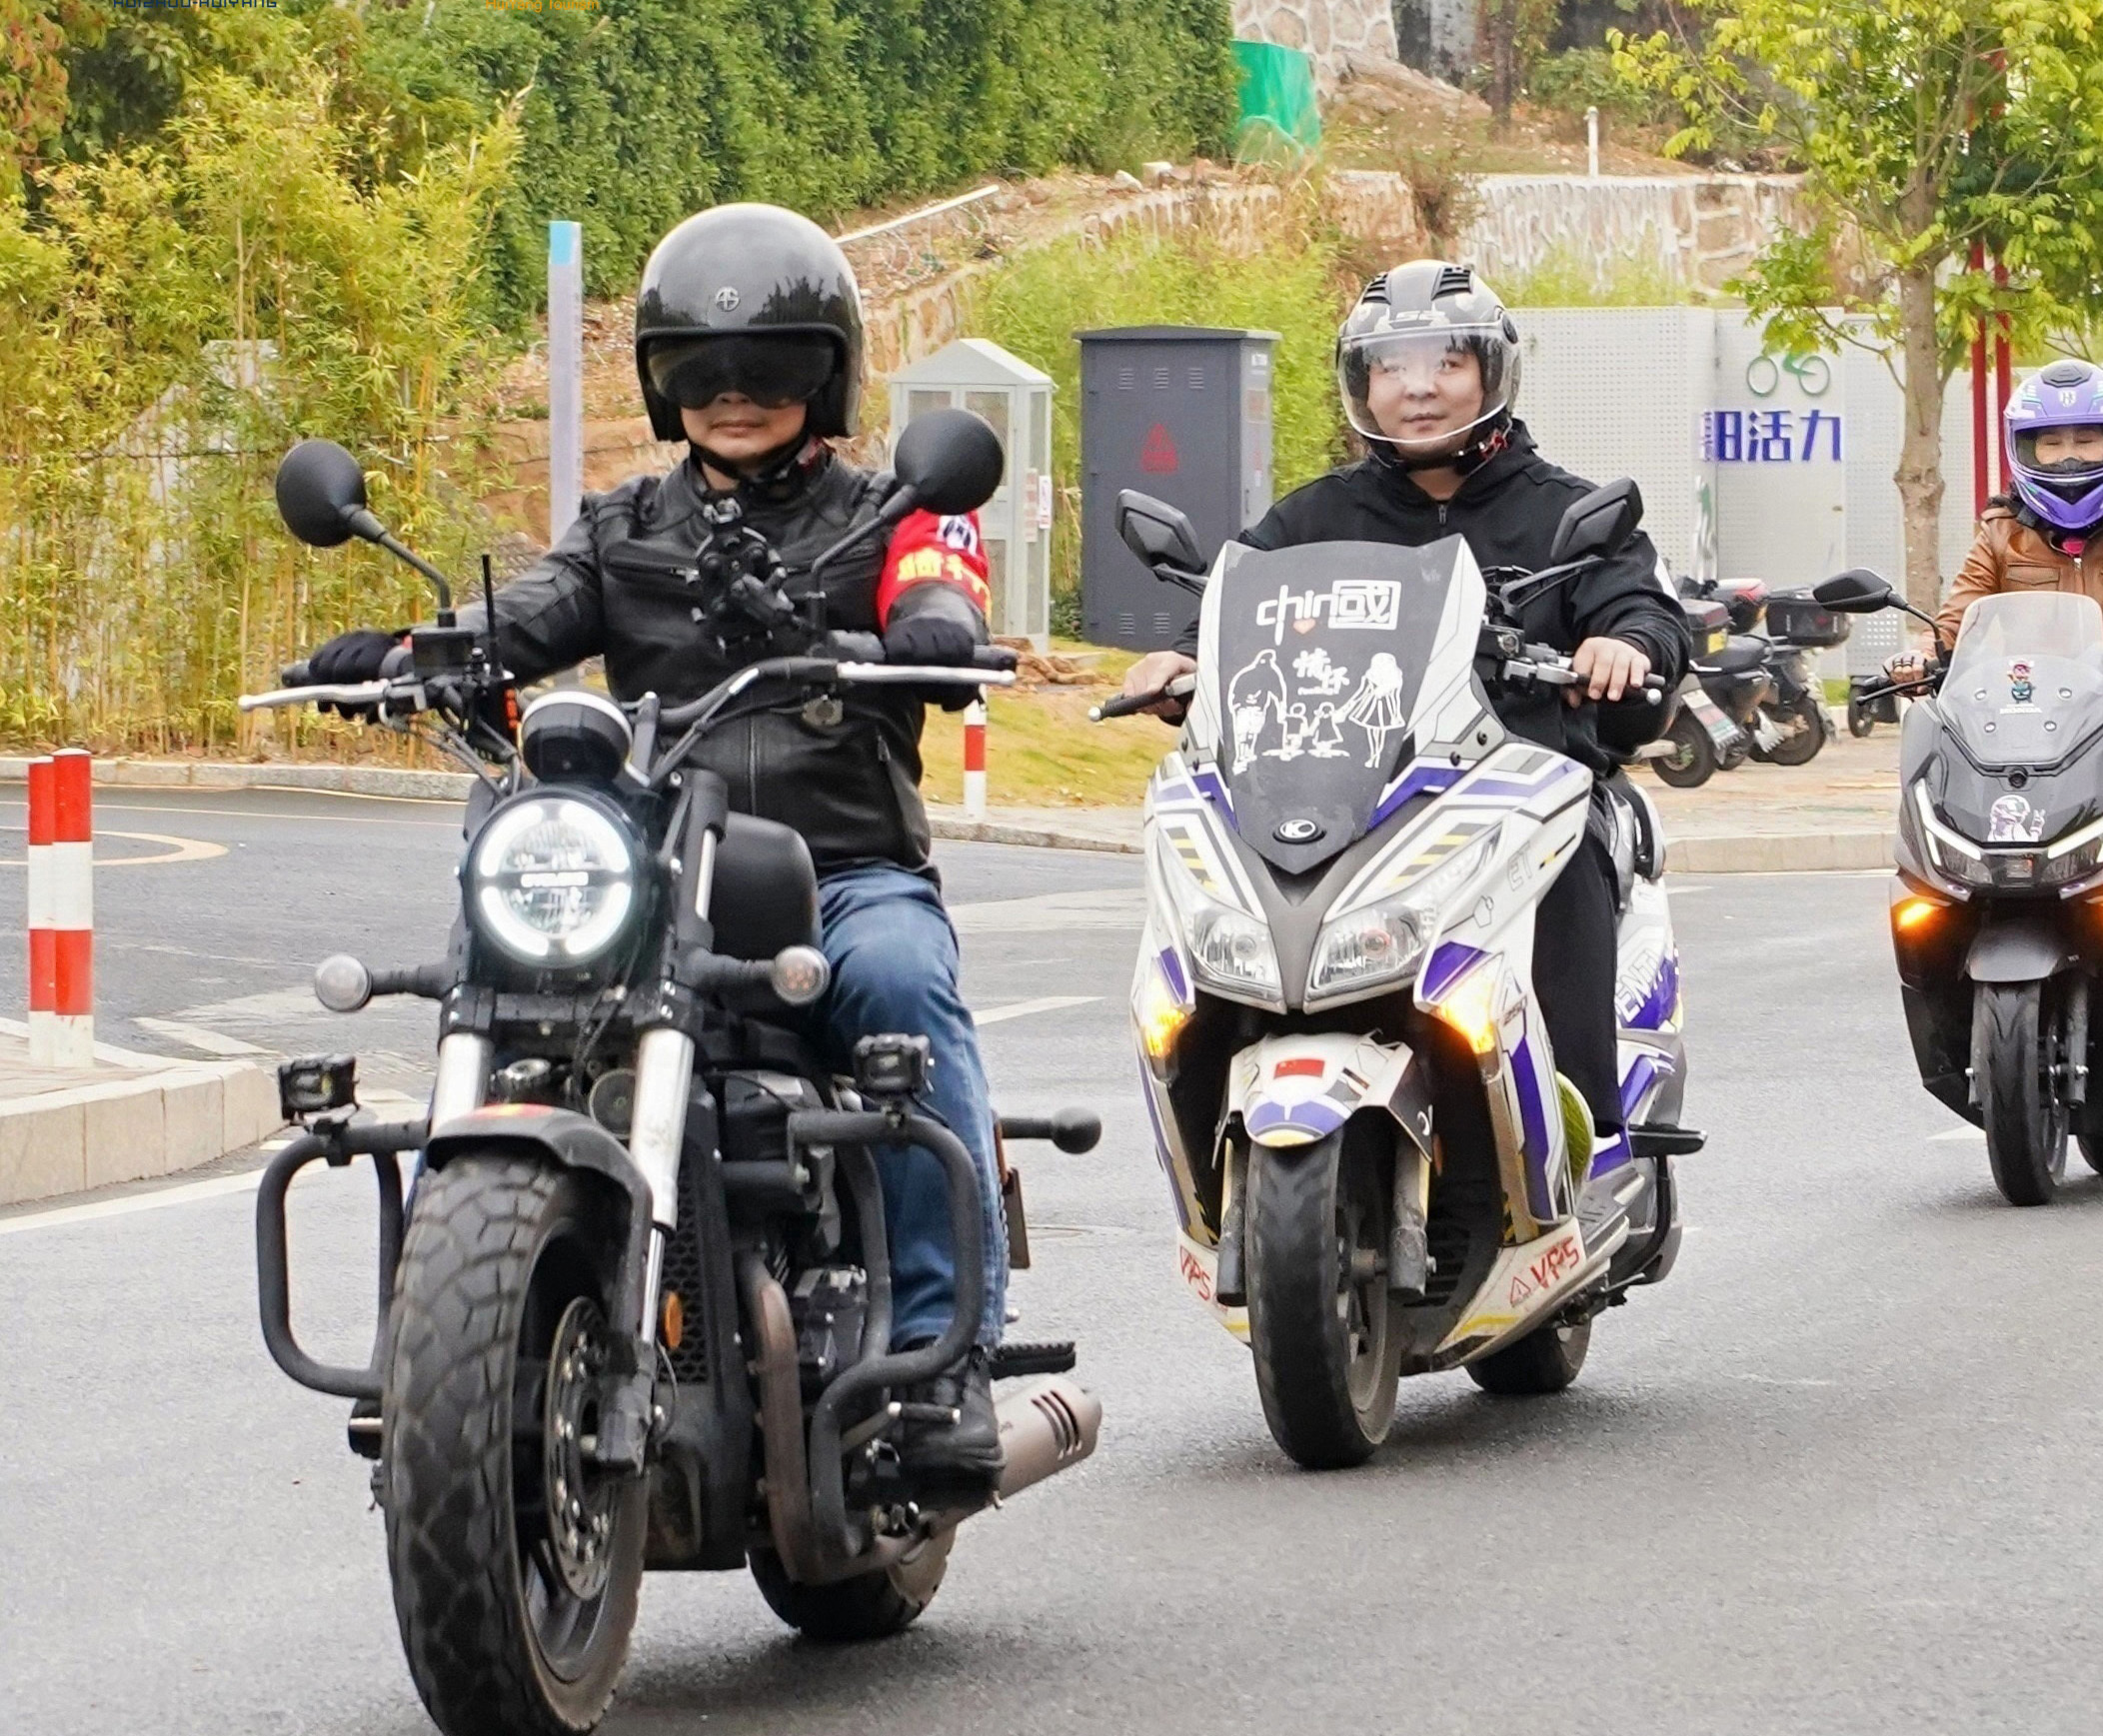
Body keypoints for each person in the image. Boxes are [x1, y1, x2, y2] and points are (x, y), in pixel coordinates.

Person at [294, 204, 1013, 1491]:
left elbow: (937, 592)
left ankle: (941, 1350)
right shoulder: (622, 525)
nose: (732, 394)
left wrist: (926, 633)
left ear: (826, 376)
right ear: (659, 382)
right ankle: (441, 1350)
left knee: (904, 985)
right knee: (497, 981)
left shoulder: (894, 512)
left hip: (840, 876)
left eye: (767, 366)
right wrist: (414, 654)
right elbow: (531, 613)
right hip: (656, 873)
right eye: (698, 367)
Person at [1113, 261, 1685, 1153]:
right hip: (1349, 798)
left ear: (1491, 374)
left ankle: (1581, 1129)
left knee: (1567, 855)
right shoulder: (1312, 519)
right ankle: (1209, 1123)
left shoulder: (1566, 513)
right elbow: (1236, 613)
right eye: (1391, 367)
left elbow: (1642, 610)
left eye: (1446, 363)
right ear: (1363, 384)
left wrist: (1626, 644)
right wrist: (1184, 660)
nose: (1418, 388)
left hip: (1515, 787)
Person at [1884, 360, 2103, 739]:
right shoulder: (2000, 531)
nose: (2069, 457)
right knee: (1947, 766)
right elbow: (1959, 616)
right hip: (2025, 712)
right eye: (2051, 444)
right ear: (2027, 449)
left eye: (2086, 441)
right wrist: (1923, 656)